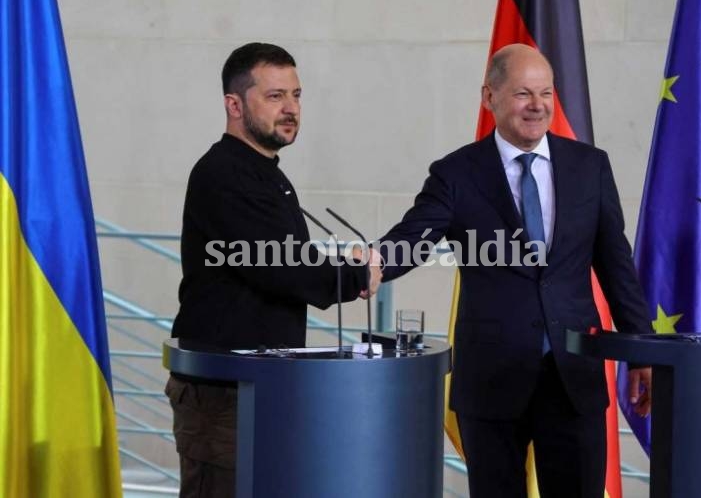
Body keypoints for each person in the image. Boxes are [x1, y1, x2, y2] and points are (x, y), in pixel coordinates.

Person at [367, 44, 652, 498]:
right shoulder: (456, 173)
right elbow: (414, 236)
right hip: (492, 379)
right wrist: (375, 265)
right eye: (523, 93)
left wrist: (641, 350)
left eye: (546, 92)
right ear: (490, 96)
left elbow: (616, 265)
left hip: (572, 376)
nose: (537, 106)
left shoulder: (589, 167)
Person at [165, 42, 377, 498]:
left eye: (297, 95)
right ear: (234, 104)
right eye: (276, 96)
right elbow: (284, 266)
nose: (292, 109)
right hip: (224, 395)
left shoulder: (267, 173)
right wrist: (356, 276)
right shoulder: (223, 174)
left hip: (265, 387)